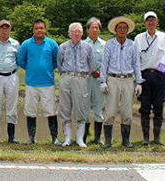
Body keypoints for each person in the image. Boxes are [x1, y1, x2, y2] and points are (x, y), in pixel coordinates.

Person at [99, 16, 143, 148]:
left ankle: (126, 140)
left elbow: (136, 63)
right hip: (113, 79)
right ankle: (108, 141)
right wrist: (103, 80)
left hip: (128, 80)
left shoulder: (132, 45)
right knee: (110, 110)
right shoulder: (110, 44)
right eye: (120, 28)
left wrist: (139, 82)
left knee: (127, 111)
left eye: (124, 28)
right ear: (115, 30)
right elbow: (104, 63)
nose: (122, 30)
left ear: (128, 30)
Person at [17, 19, 60, 145]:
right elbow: (21, 60)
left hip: (48, 83)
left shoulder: (52, 44)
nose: (39, 30)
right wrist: (31, 68)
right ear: (33, 30)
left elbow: (57, 60)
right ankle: (31, 137)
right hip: (31, 83)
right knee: (30, 111)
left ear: (45, 29)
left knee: (51, 111)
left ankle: (54, 138)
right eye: (37, 28)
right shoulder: (26, 44)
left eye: (41, 28)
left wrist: (46, 68)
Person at [57, 22, 96, 147]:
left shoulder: (87, 47)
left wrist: (82, 75)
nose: (77, 34)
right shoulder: (62, 47)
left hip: (81, 78)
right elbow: (59, 63)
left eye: (79, 31)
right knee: (65, 107)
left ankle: (80, 139)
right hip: (66, 77)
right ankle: (67, 138)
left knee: (80, 107)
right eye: (74, 31)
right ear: (69, 33)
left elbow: (91, 65)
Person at [134, 11, 165, 145]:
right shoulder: (139, 38)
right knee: (145, 107)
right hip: (145, 75)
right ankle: (146, 138)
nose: (151, 22)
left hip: (160, 74)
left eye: (153, 20)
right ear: (144, 23)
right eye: (148, 20)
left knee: (159, 105)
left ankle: (157, 137)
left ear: (157, 21)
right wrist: (138, 80)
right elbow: (136, 60)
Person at [0, 19, 20, 144]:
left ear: (10, 30)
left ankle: (11, 136)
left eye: (7, 28)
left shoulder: (15, 44)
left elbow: (18, 60)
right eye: (2, 28)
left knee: (12, 105)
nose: (4, 30)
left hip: (11, 76)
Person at [83, 17, 106, 145]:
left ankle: (97, 138)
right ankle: (84, 136)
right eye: (93, 27)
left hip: (99, 79)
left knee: (98, 107)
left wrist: (100, 71)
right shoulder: (82, 44)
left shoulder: (104, 45)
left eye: (97, 28)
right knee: (85, 107)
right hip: (86, 79)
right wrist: (91, 70)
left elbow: (107, 61)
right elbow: (80, 61)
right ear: (87, 30)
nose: (95, 30)